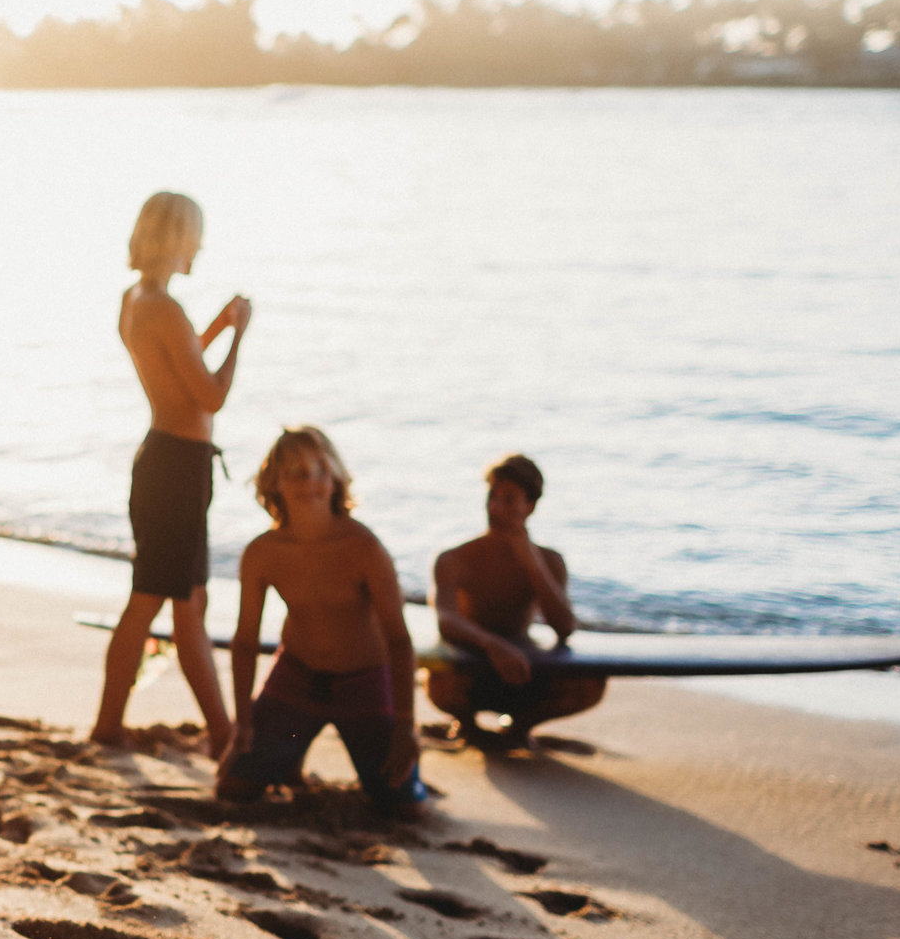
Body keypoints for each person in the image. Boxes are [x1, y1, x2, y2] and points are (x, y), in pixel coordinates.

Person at [89, 191, 250, 754]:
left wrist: (216, 325)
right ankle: (217, 732)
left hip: (168, 461)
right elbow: (209, 394)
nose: (200, 247)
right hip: (176, 469)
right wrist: (239, 333)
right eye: (194, 236)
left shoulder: (138, 300)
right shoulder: (164, 307)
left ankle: (219, 730)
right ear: (175, 239)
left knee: (186, 604)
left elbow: (178, 361)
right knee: (153, 599)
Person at [215, 426, 419, 819]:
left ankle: (292, 754)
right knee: (233, 788)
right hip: (296, 678)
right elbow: (244, 641)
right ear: (274, 483)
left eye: (318, 471)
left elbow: (399, 640)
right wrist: (241, 723)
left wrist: (406, 726)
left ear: (337, 478)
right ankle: (289, 751)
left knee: (404, 807)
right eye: (294, 473)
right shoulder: (262, 553)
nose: (308, 483)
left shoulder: (365, 547)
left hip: (365, 682)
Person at [427, 453, 606, 745]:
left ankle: (519, 729)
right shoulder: (454, 559)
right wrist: (492, 645)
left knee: (590, 685)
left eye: (508, 500)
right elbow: (446, 619)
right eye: (492, 497)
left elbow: (564, 628)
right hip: (473, 665)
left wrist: (531, 562)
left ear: (530, 506)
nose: (496, 508)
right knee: (438, 682)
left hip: (525, 667)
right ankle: (468, 726)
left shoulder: (550, 560)